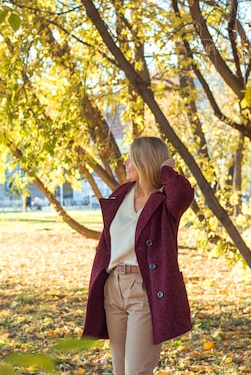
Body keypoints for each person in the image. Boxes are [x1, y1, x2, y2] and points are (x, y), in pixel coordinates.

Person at [82, 136, 195, 375]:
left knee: (137, 370)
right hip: (113, 288)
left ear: (145, 162)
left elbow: (183, 192)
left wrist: (165, 169)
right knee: (120, 370)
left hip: (144, 290)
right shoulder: (122, 194)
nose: (125, 162)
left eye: (131, 158)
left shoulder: (166, 201)